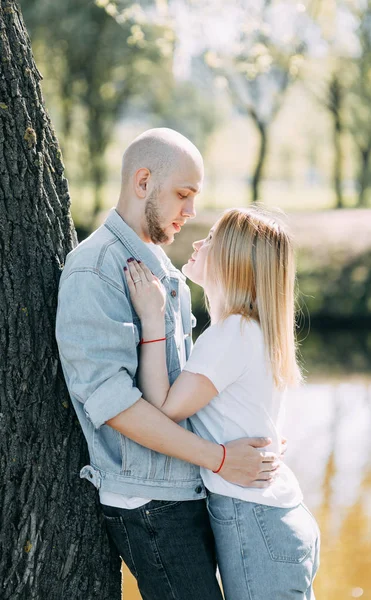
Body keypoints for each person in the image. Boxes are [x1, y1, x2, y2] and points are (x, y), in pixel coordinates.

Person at [55, 128, 284, 600]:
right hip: (149, 502)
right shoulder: (93, 271)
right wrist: (220, 458)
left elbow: (188, 387)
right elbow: (115, 405)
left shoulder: (159, 266)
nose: (192, 212)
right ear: (143, 183)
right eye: (184, 194)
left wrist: (248, 435)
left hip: (186, 486)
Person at [125, 206, 321, 600]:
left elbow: (163, 408)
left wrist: (151, 318)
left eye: (212, 238)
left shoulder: (231, 333)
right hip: (276, 518)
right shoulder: (252, 331)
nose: (198, 242)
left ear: (234, 260)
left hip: (256, 520)